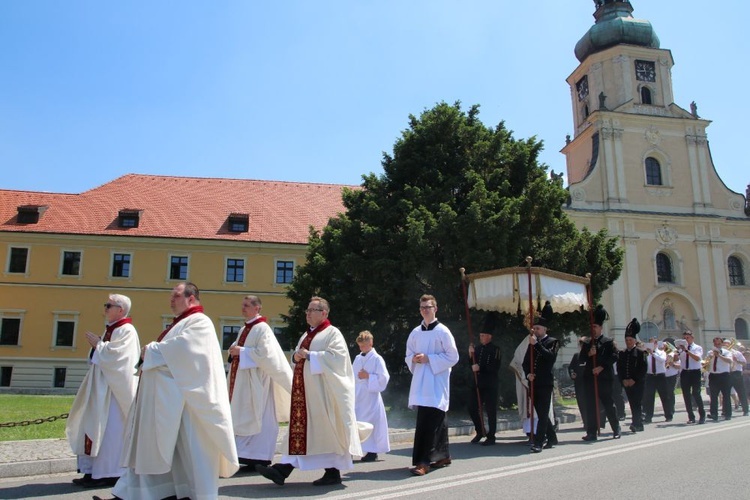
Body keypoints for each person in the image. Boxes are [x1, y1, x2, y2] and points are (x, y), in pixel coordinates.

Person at [105, 282, 239, 500]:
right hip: (170, 402)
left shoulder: (199, 322)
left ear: (192, 299)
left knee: (191, 454)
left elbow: (186, 350)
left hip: (191, 405)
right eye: (171, 296)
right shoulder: (180, 323)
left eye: (176, 295)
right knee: (156, 450)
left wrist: (152, 350)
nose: (171, 299)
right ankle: (132, 495)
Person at [257, 297, 362, 487]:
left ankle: (330, 472)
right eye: (307, 310)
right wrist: (296, 356)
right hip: (304, 395)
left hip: (323, 396)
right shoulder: (306, 335)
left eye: (312, 310)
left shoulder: (332, 333)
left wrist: (309, 355)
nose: (307, 313)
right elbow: (298, 357)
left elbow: (337, 360)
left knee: (323, 433)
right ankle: (282, 470)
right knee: (303, 434)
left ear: (324, 313)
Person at [67, 294, 140, 489]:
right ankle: (91, 471)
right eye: (106, 305)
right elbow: (102, 354)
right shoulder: (111, 329)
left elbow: (120, 360)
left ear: (121, 310)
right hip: (99, 388)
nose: (105, 309)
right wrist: (98, 347)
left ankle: (109, 473)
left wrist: (99, 346)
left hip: (114, 393)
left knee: (109, 433)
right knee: (91, 427)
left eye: (109, 306)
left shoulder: (127, 331)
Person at [227, 295, 292, 471]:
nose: (243, 308)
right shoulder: (244, 329)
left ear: (257, 308)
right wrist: (234, 351)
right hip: (242, 382)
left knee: (258, 416)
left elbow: (267, 355)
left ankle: (259, 457)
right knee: (243, 415)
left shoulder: (262, 328)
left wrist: (242, 352)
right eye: (242, 305)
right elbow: (241, 349)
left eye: (247, 305)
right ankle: (247, 457)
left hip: (257, 383)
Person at [405, 294, 459, 476]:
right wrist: (412, 359)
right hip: (421, 382)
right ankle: (444, 455)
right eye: (422, 308)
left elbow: (453, 357)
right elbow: (408, 354)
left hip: (436, 383)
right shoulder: (415, 332)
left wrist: (429, 359)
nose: (425, 310)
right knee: (433, 421)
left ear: (435, 309)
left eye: (428, 307)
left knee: (431, 423)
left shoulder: (443, 331)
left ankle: (423, 462)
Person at [579, 304, 620, 441]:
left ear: (601, 328)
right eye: (592, 327)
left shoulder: (608, 342)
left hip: (604, 378)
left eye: (595, 327)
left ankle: (616, 429)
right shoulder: (587, 343)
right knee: (591, 406)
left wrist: (601, 366)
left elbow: (614, 356)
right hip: (590, 379)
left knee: (608, 404)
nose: (593, 330)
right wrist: (589, 354)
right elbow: (581, 359)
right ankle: (591, 432)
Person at [522, 315, 559, 453]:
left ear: (544, 329)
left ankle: (538, 442)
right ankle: (552, 437)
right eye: (534, 328)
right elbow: (526, 362)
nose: (535, 330)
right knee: (541, 412)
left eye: (538, 328)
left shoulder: (553, 342)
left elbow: (550, 357)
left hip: (545, 383)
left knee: (543, 414)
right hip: (534, 382)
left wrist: (536, 344)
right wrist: (528, 374)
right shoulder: (532, 343)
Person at [352, 330, 391, 462]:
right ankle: (353, 449)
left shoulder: (377, 359)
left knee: (371, 423)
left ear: (371, 343)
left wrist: (368, 376)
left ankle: (372, 451)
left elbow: (384, 378)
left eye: (364, 345)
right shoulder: (358, 358)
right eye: (360, 346)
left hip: (371, 396)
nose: (362, 348)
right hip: (358, 395)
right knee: (355, 422)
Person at [468, 313, 501, 446]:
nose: (481, 338)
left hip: (490, 384)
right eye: (480, 336)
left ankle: (491, 436)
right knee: (471, 407)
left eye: (483, 336)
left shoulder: (495, 349)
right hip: (477, 384)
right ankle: (480, 430)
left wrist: (479, 368)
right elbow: (470, 363)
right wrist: (471, 355)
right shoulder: (477, 348)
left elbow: (494, 367)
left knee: (490, 410)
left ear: (489, 337)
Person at [616, 319, 647, 433]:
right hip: (626, 383)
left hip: (637, 383)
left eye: (630, 340)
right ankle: (637, 423)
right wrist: (623, 380)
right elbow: (620, 369)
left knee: (636, 403)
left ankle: (637, 423)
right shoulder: (622, 353)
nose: (628, 342)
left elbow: (643, 369)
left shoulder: (640, 353)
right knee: (632, 403)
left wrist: (634, 379)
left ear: (634, 340)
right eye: (627, 340)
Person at [677, 329, 706, 424]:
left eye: (687, 338)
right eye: (684, 338)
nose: (686, 339)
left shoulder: (697, 348)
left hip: (695, 372)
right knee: (686, 394)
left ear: (692, 338)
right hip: (685, 372)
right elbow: (676, 359)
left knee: (696, 393)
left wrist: (687, 351)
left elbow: (697, 358)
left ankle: (702, 415)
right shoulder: (681, 350)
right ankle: (691, 417)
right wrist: (677, 352)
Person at [642, 338, 673, 423]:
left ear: (656, 344)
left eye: (653, 343)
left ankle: (668, 415)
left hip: (660, 376)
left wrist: (653, 353)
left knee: (664, 396)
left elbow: (662, 360)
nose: (651, 345)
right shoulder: (646, 354)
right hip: (650, 376)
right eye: (650, 343)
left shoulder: (661, 352)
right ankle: (648, 416)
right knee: (649, 397)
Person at [705, 337, 733, 421]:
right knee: (713, 396)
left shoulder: (727, 352)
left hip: (724, 375)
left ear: (722, 344)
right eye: (715, 344)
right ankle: (714, 414)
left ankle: (727, 414)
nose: (717, 345)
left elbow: (729, 361)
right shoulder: (710, 352)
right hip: (713, 376)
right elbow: (706, 364)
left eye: (719, 344)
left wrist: (719, 356)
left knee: (726, 396)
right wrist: (708, 359)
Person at [725, 340, 748, 416]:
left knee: (741, 392)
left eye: (727, 344)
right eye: (724, 344)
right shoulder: (723, 353)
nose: (726, 345)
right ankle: (726, 411)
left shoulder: (737, 353)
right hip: (727, 373)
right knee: (725, 392)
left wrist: (736, 360)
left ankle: (745, 410)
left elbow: (744, 362)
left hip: (736, 373)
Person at [568, 339, 587, 429]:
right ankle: (585, 421)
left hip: (589, 384)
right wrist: (572, 374)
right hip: (579, 384)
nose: (582, 346)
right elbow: (571, 367)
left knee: (590, 404)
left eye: (584, 344)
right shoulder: (577, 356)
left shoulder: (591, 356)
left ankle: (592, 421)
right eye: (581, 344)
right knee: (582, 403)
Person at [664, 339, 680, 419]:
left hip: (672, 375)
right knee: (665, 393)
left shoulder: (674, 354)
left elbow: (679, 365)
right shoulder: (662, 354)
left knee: (670, 391)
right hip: (664, 375)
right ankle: (667, 409)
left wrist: (672, 364)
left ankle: (671, 408)